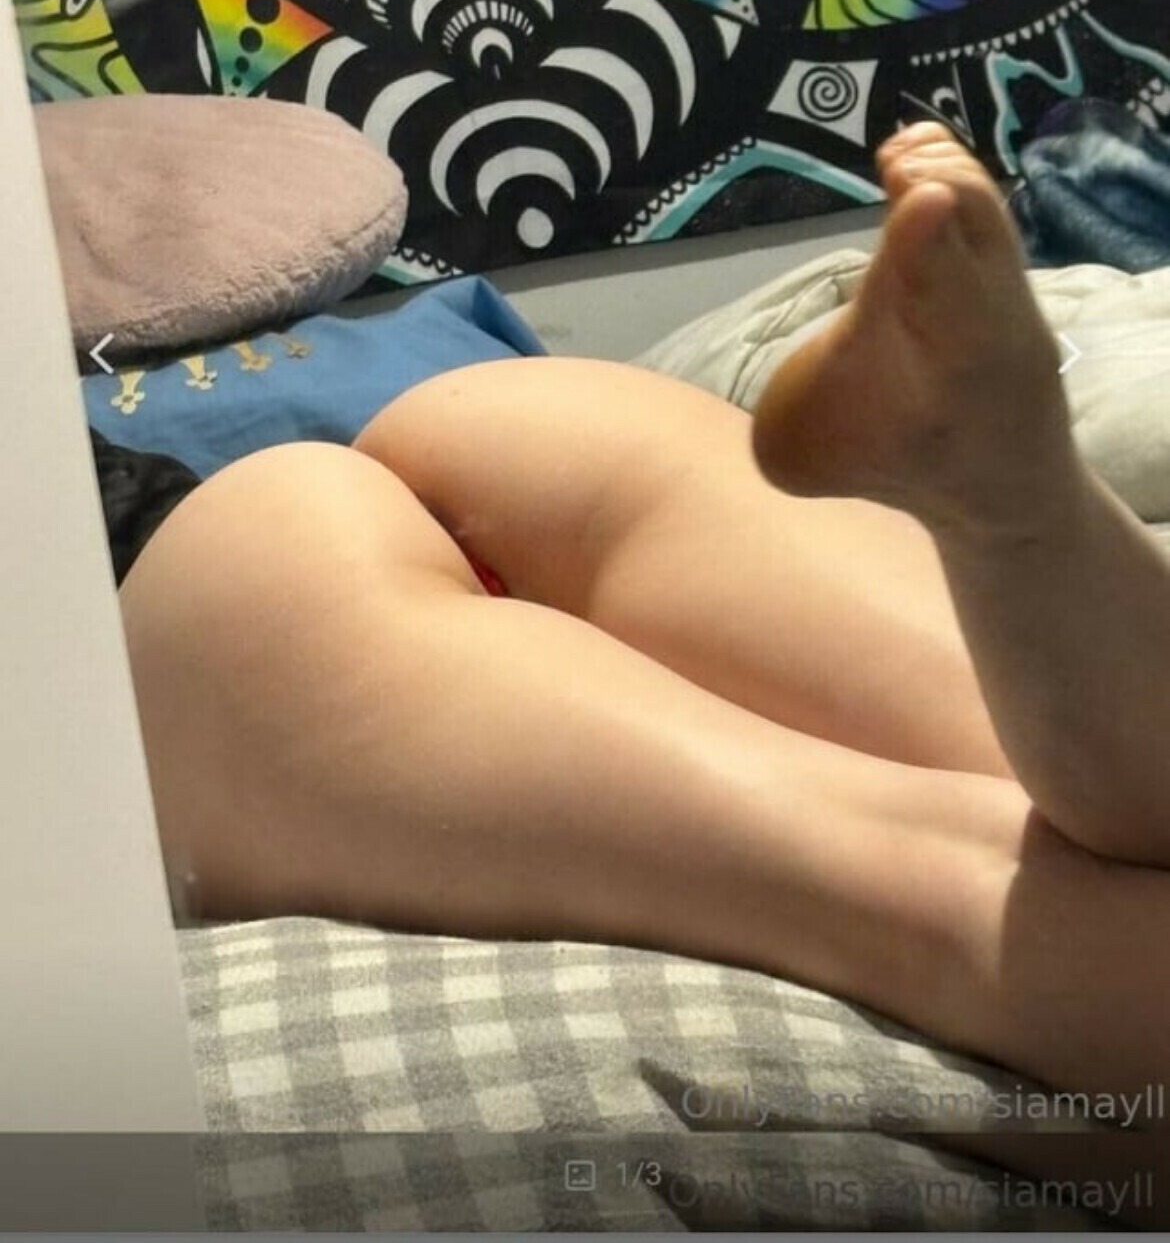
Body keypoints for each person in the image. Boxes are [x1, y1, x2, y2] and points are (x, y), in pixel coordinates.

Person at [112, 123, 1169, 1215]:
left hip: (230, 570)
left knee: (935, 883)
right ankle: (1014, 503)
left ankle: (1007, 503)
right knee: (1028, 790)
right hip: (517, 403)